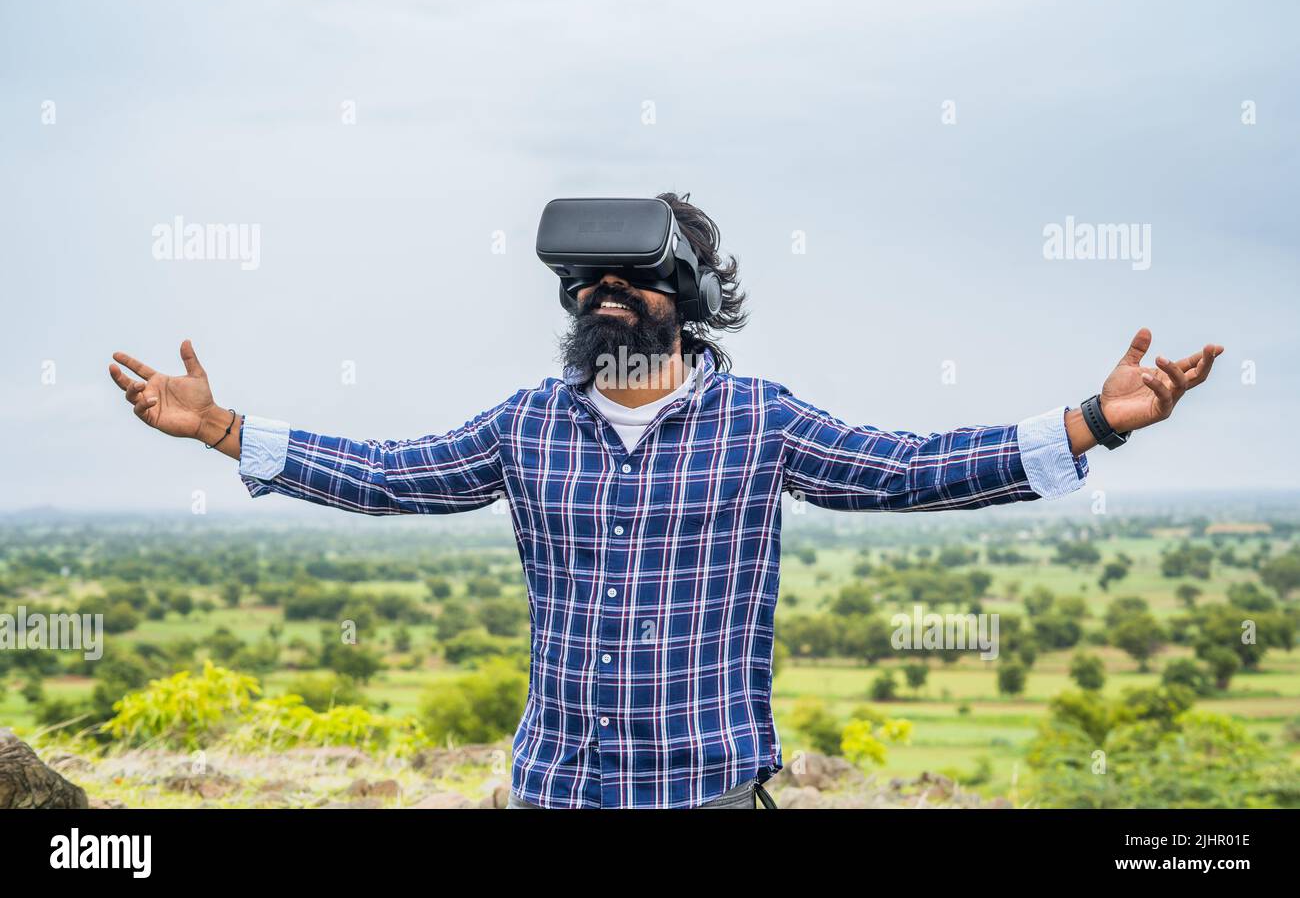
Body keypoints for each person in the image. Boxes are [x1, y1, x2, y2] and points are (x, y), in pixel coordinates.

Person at [108, 192, 1224, 808]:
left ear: (683, 299)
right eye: (584, 283)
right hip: (554, 788)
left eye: (627, 279)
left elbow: (914, 467)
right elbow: (392, 474)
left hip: (703, 791)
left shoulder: (761, 422)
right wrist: (225, 430)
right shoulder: (526, 423)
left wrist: (1091, 417)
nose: (601, 296)